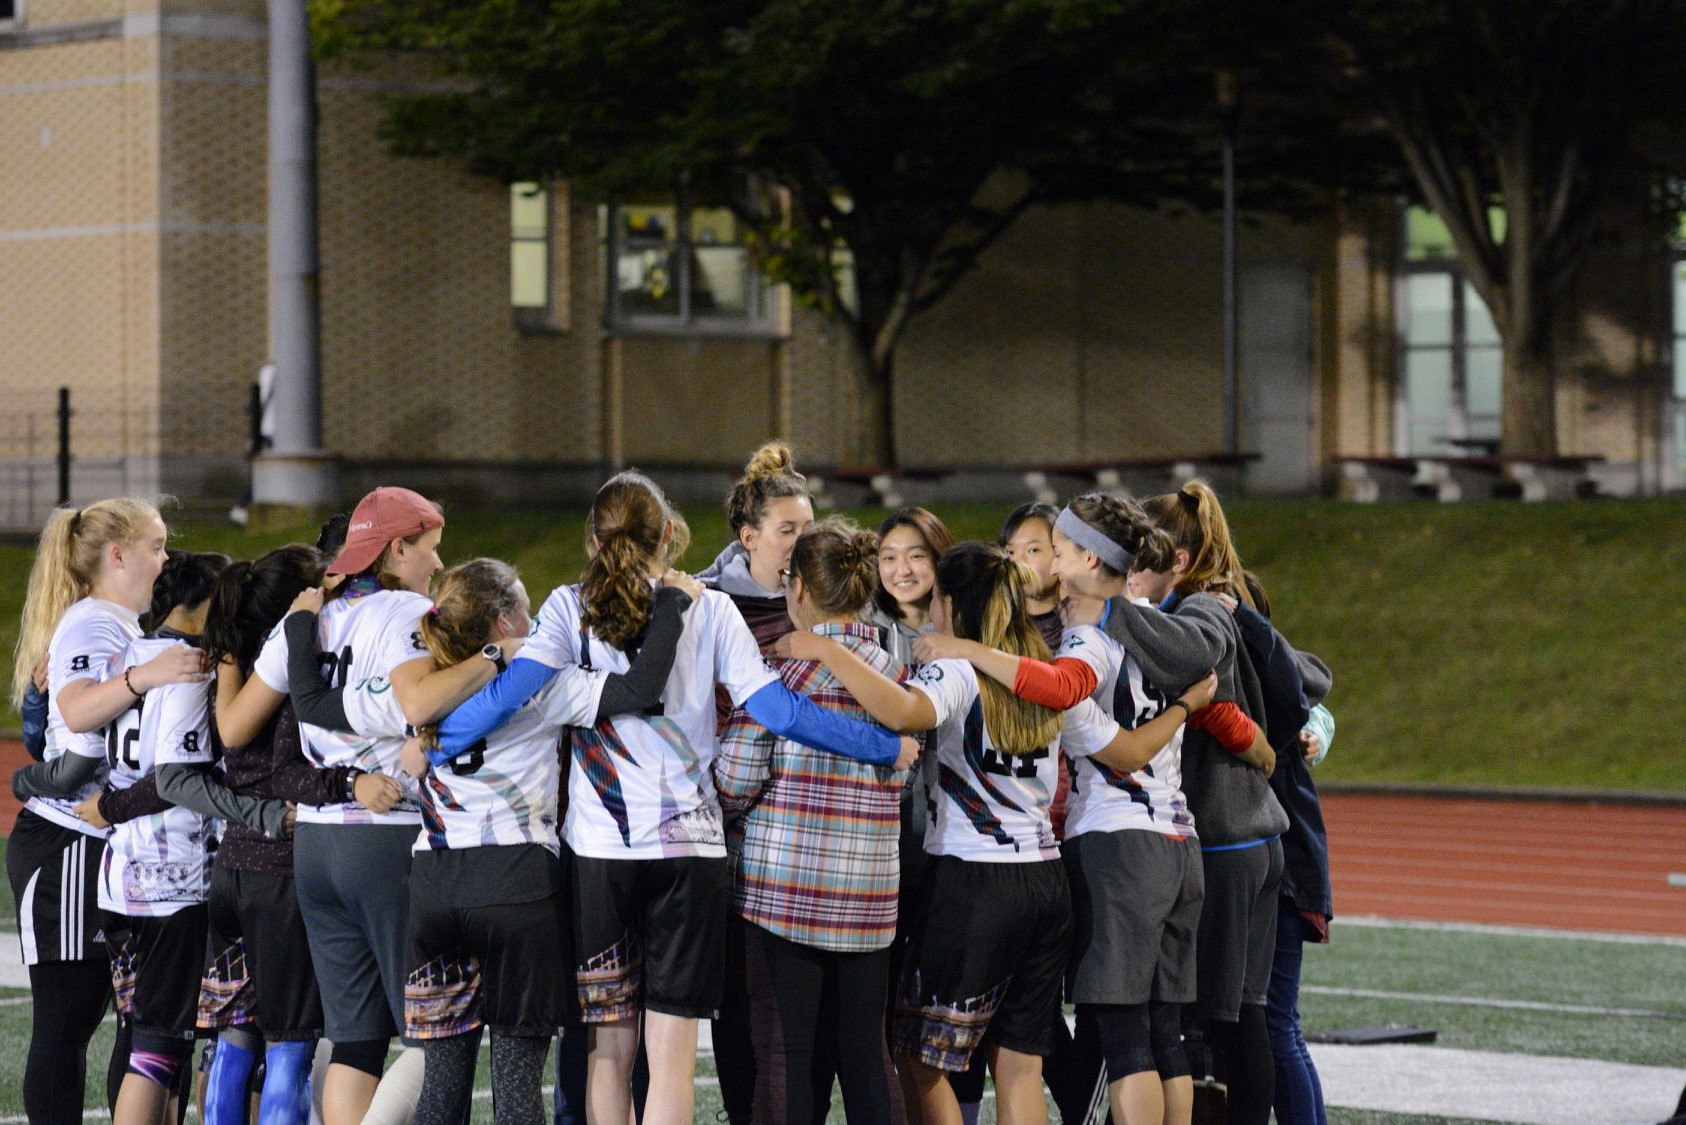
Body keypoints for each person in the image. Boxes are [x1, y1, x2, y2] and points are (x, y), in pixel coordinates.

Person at [430, 470, 917, 1125]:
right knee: (673, 1057)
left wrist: (438, 733)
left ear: (594, 537)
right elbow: (780, 710)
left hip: (602, 856)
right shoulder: (708, 605)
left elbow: (503, 697)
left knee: (608, 1051)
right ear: (668, 533)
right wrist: (881, 746)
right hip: (690, 854)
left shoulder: (567, 606)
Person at [780, 541, 1216, 1125]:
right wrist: (1186, 705)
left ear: (953, 604)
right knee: (1018, 1065)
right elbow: (1131, 750)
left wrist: (826, 652)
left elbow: (907, 712)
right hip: (1045, 885)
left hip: (974, 884)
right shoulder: (1047, 673)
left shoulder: (956, 667)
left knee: (918, 1056)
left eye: (937, 597)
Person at [280, 555, 695, 1125]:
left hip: (435, 887)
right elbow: (641, 687)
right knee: (517, 1092)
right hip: (518, 885)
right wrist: (673, 605)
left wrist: (301, 628)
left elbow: (313, 704)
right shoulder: (542, 677)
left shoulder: (412, 686)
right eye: (525, 607)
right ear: (503, 621)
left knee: (441, 1088)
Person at [244, 487, 505, 1125]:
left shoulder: (309, 618)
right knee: (433, 1032)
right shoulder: (406, 612)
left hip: (317, 843)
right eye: (429, 550)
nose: (438, 567)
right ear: (396, 548)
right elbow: (422, 704)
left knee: (355, 1036)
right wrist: (496, 658)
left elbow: (235, 723)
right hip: (387, 835)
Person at [7, 499, 208, 1125]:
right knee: (68, 1021)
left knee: (135, 1021)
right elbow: (77, 709)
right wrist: (141, 678)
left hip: (108, 838)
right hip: (71, 840)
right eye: (156, 544)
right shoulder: (95, 621)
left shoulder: (120, 621)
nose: (165, 556)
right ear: (117, 555)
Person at [714, 518, 909, 1124]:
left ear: (797, 589)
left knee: (785, 1057)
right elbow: (902, 774)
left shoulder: (777, 675)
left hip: (783, 898)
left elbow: (734, 781)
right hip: (869, 899)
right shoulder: (896, 676)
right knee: (867, 1057)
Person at [73, 550, 256, 1125]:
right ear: (203, 603)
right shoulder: (186, 666)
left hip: (120, 876)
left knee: (146, 1040)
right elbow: (172, 780)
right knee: (160, 1048)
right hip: (170, 877)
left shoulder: (128, 657)